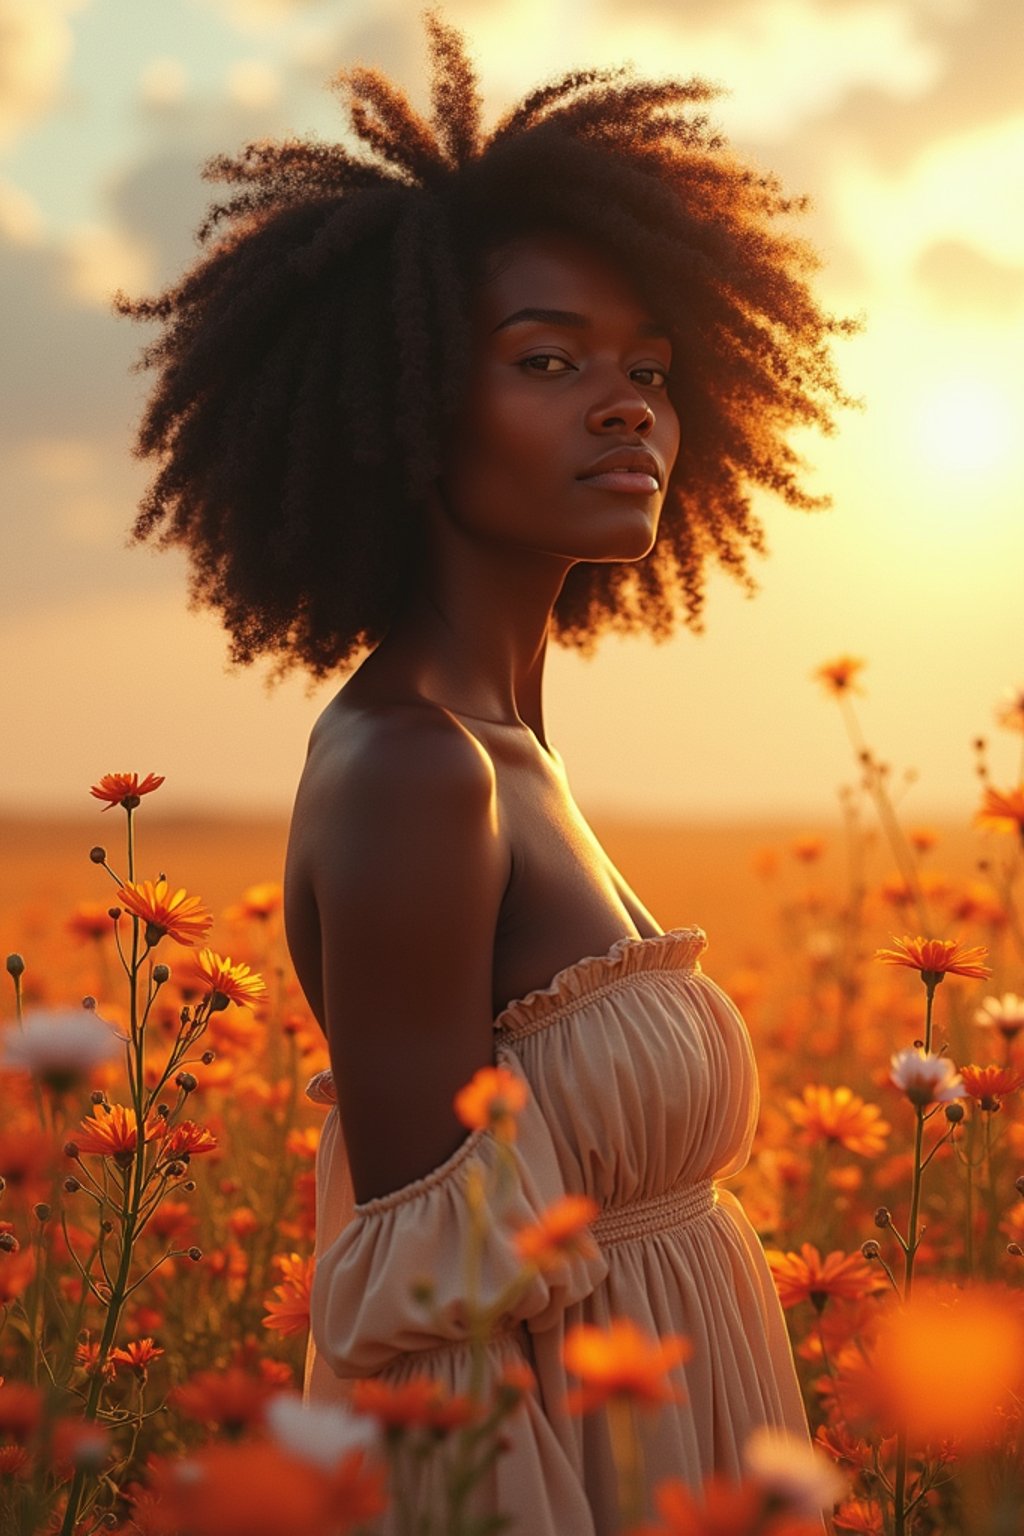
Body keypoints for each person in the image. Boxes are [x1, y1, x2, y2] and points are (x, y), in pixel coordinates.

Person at [119, 12, 854, 1531]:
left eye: (648, 364)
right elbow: (432, 1341)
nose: (627, 402)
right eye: (547, 359)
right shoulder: (415, 771)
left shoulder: (514, 752)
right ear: (394, 409)